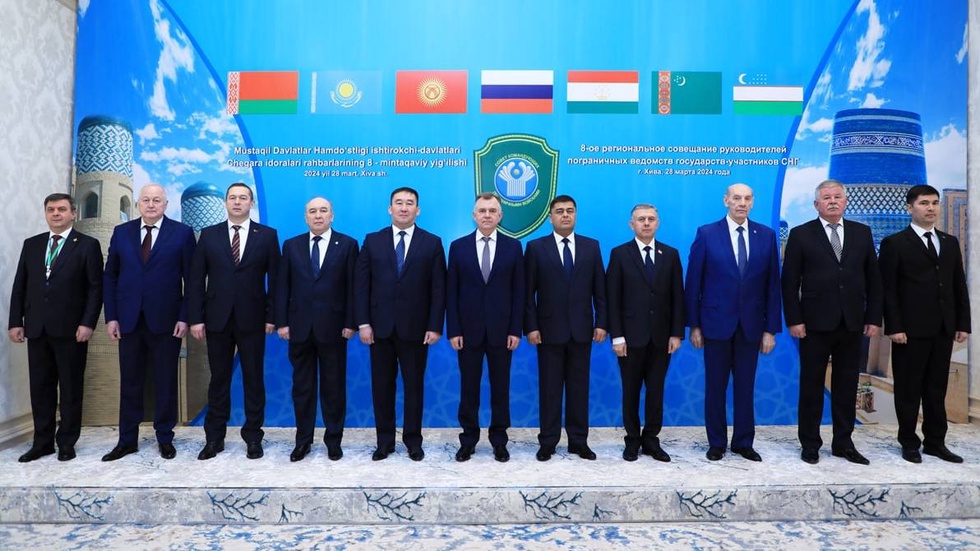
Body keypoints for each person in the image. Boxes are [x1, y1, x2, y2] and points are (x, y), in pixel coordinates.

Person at [781, 180, 882, 465]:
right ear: (817, 204)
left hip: (852, 323)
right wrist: (794, 320)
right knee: (811, 386)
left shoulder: (862, 233)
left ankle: (843, 443)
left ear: (846, 201)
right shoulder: (801, 234)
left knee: (847, 386)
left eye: (837, 196)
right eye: (826, 198)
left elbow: (874, 280)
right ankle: (810, 443)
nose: (833, 201)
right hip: (813, 324)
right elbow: (789, 282)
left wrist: (873, 317)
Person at [685, 183, 781, 462]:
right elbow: (693, 282)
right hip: (715, 325)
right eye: (736, 198)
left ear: (753, 202)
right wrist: (694, 325)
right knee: (715, 387)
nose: (742, 203)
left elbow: (772, 285)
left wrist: (770, 330)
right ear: (726, 200)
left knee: (745, 388)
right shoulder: (707, 233)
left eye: (747, 198)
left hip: (751, 326)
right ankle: (716, 443)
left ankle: (743, 442)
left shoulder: (766, 235)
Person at [102, 183, 196, 461]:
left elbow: (192, 280)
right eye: (146, 200)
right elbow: (110, 276)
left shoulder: (182, 233)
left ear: (166, 204)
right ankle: (127, 440)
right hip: (128, 321)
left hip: (167, 322)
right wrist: (112, 317)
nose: (151, 205)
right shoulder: (122, 232)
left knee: (165, 381)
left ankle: (165, 438)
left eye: (157, 200)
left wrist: (184, 316)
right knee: (130, 382)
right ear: (138, 204)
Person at [8, 193, 103, 462]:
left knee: (71, 388)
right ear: (46, 213)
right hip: (37, 328)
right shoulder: (32, 244)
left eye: (62, 209)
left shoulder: (87, 245)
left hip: (72, 330)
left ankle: (66, 442)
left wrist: (87, 323)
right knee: (41, 388)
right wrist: (15, 322)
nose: (56, 214)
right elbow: (20, 285)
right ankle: (42, 443)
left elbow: (95, 289)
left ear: (73, 213)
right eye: (51, 209)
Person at [879, 184, 970, 464]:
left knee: (936, 389)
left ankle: (935, 442)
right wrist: (894, 327)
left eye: (934, 203)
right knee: (908, 389)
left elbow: (958, 285)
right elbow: (888, 290)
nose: (931, 208)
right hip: (909, 331)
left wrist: (962, 323)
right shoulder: (895, 243)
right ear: (910, 208)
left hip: (943, 329)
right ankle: (909, 442)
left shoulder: (949, 242)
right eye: (924, 203)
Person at [188, 183, 280, 460]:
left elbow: (277, 280)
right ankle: (214, 438)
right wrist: (195, 318)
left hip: (253, 319)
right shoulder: (209, 235)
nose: (237, 202)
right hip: (217, 319)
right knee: (219, 380)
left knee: (253, 379)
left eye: (243, 198)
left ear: (251, 203)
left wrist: (272, 316)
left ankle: (253, 437)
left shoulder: (267, 235)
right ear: (226, 202)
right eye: (232, 198)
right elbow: (196, 279)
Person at [355, 187, 446, 461]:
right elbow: (361, 285)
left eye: (409, 203)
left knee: (414, 388)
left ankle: (413, 441)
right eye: (399, 203)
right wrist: (363, 323)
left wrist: (434, 326)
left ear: (417, 210)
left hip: (416, 330)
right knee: (382, 388)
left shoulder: (432, 242)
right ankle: (384, 442)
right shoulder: (372, 241)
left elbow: (438, 288)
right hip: (379, 329)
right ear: (390, 208)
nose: (404, 208)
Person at [524, 195, 607, 461]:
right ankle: (548, 441)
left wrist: (601, 323)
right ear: (550, 217)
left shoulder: (591, 247)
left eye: (570, 211)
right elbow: (527, 293)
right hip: (548, 332)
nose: (565, 215)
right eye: (559, 211)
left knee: (579, 389)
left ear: (576, 215)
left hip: (582, 330)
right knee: (549, 389)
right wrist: (531, 327)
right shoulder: (536, 248)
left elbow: (600, 290)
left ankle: (578, 441)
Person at [276, 197, 358, 462]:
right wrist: (282, 322)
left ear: (332, 216)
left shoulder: (348, 245)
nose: (318, 215)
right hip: (299, 329)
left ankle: (333, 441)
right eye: (313, 211)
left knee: (334, 388)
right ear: (306, 217)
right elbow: (282, 286)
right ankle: (303, 441)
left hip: (334, 329)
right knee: (302, 389)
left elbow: (353, 288)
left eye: (323, 211)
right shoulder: (291, 245)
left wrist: (350, 323)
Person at [446, 193, 524, 463]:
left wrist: (515, 330)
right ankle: (468, 440)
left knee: (500, 388)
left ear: (500, 216)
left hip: (503, 333)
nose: (487, 215)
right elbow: (451, 292)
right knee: (469, 388)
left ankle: (499, 441)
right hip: (468, 333)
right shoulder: (458, 247)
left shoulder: (514, 247)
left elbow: (519, 292)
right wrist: (454, 330)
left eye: (492, 211)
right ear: (474, 215)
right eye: (482, 210)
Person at [606, 204, 685, 462]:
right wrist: (617, 336)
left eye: (651, 219)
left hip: (662, 339)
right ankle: (632, 440)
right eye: (641, 219)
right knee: (630, 392)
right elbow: (612, 298)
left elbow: (678, 296)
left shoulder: (670, 254)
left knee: (656, 391)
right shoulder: (619, 254)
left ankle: (651, 439)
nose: (647, 223)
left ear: (658, 223)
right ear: (632, 225)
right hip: (629, 339)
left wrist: (676, 333)